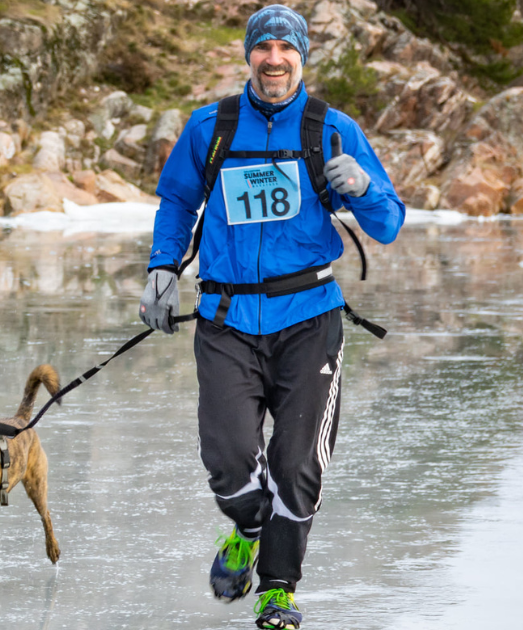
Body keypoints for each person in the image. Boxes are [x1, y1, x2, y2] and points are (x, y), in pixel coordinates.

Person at [138, 5, 405, 629]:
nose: (275, 60)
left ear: (302, 57)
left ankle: (278, 589)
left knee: (296, 463)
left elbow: (388, 224)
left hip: (309, 319)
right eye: (264, 49)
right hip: (226, 318)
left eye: (287, 50)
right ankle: (250, 529)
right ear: (249, 56)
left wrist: (363, 187)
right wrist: (161, 269)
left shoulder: (331, 130)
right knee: (229, 460)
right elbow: (177, 202)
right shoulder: (211, 127)